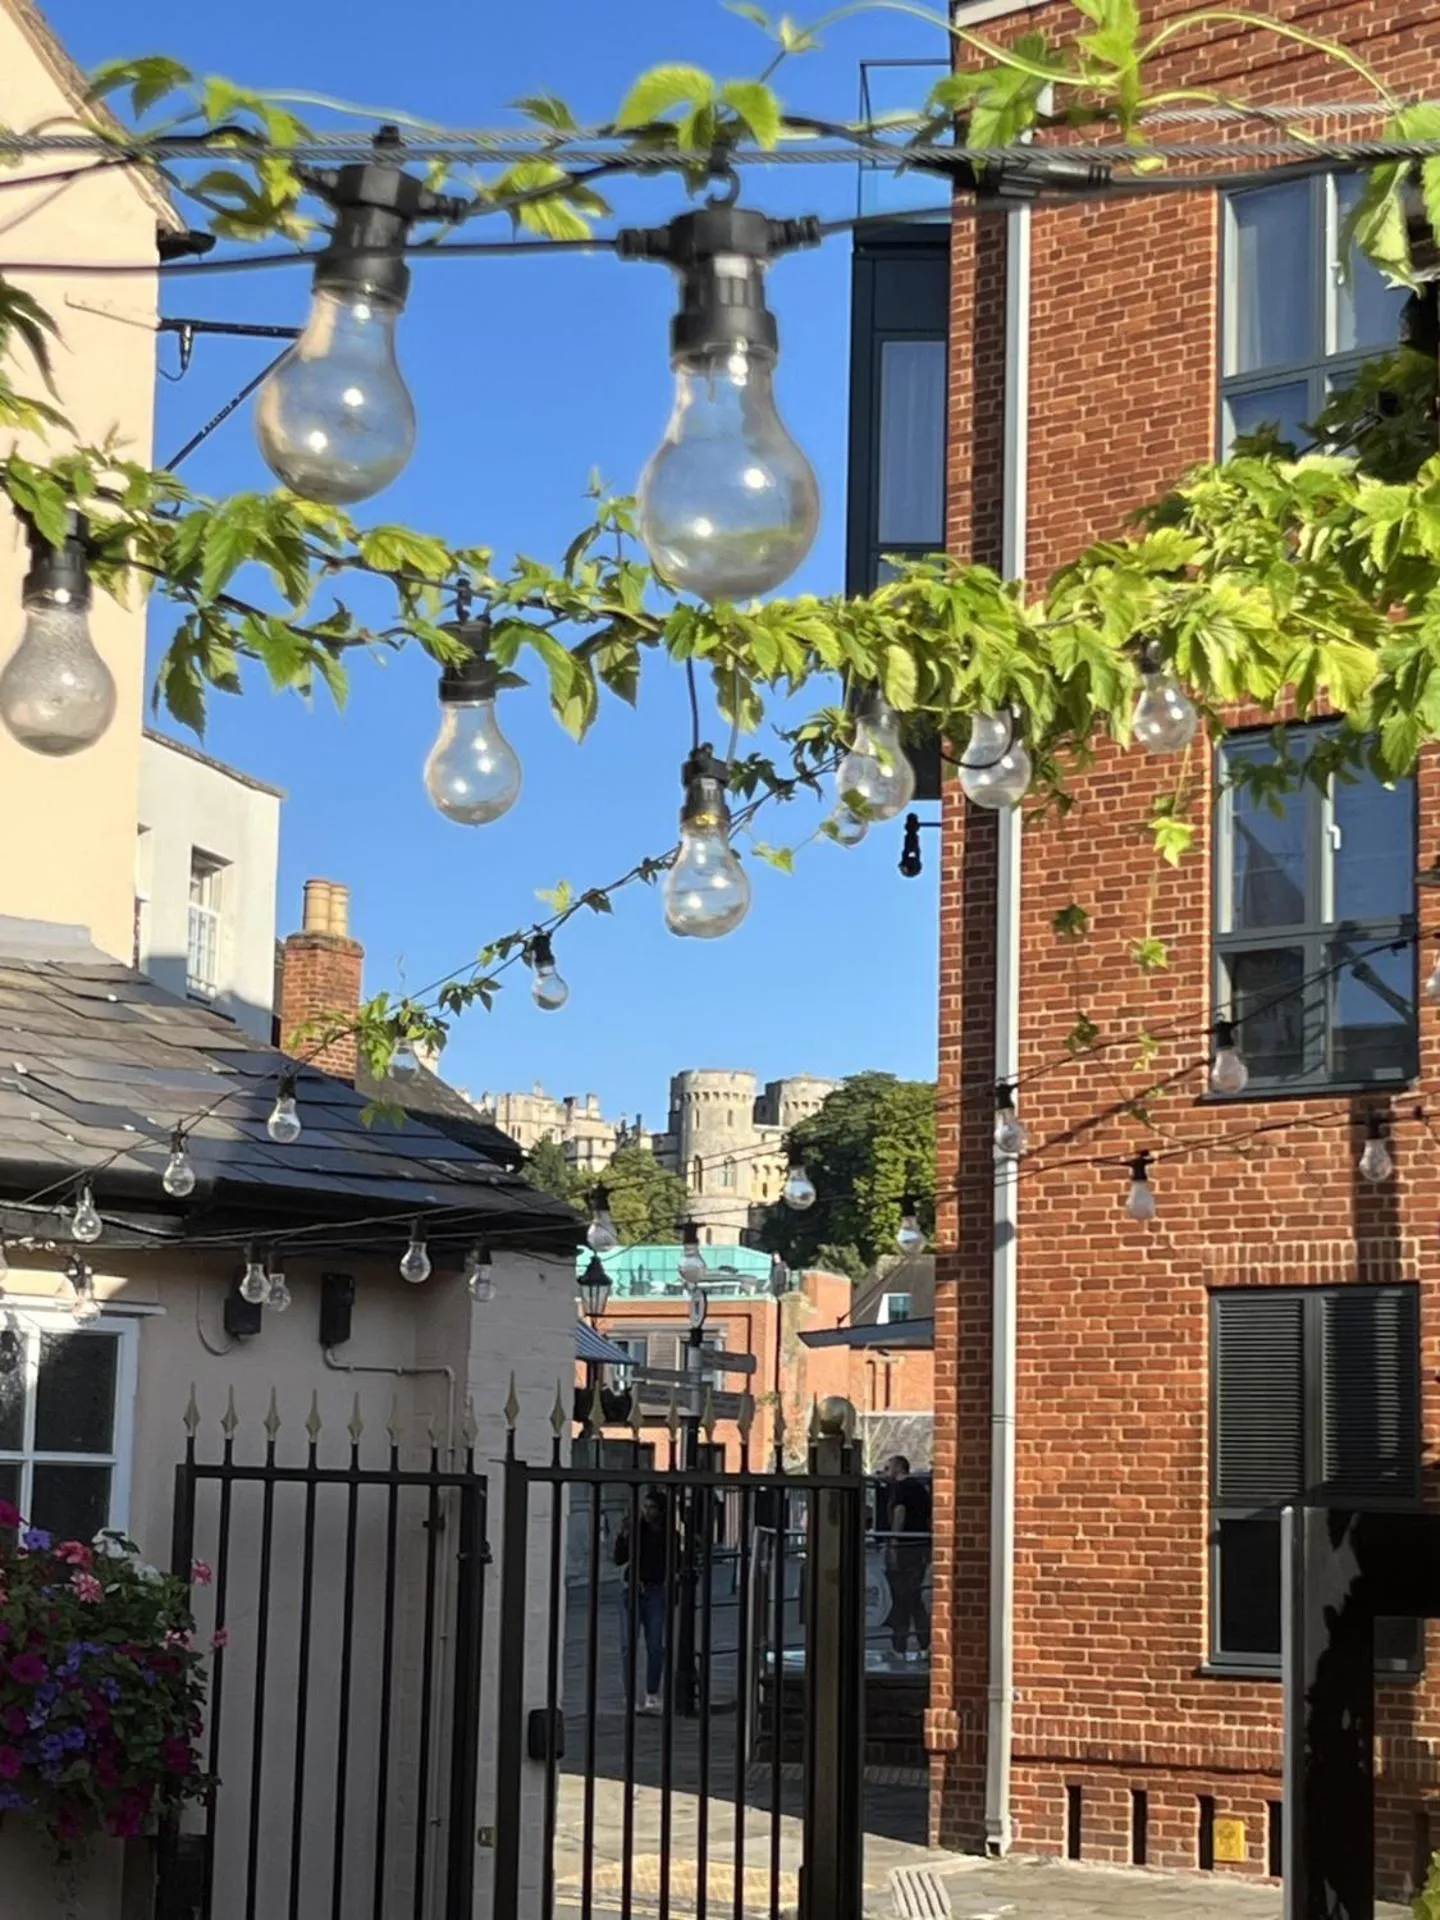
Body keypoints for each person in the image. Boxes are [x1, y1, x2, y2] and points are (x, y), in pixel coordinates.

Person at [615, 1490, 670, 1713]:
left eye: (652, 1507)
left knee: (655, 1646)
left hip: (656, 1590)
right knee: (628, 1645)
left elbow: (672, 1562)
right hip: (632, 1589)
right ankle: (629, 1696)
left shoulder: (669, 1535)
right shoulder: (636, 1531)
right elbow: (619, 1557)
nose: (647, 1512)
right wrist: (624, 1535)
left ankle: (652, 1693)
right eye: (645, 1507)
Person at [882, 1454, 931, 1663]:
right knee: (914, 1598)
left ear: (898, 1468)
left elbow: (899, 1515)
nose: (885, 1471)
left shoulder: (901, 1490)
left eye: (888, 1467)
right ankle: (923, 1644)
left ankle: (900, 1646)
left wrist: (893, 1544)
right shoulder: (921, 1489)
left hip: (905, 1549)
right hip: (920, 1548)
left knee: (902, 1598)